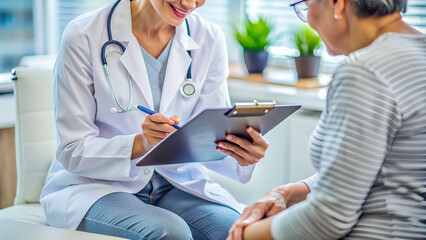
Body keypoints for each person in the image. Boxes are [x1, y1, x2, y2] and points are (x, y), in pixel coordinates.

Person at [40, 0, 269, 239]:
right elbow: (71, 149)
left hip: (176, 183)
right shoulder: (83, 35)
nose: (189, 4)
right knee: (170, 233)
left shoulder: (208, 38)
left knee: (237, 231)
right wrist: (141, 143)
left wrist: (241, 152)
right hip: (97, 186)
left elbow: (208, 134)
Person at [228, 0, 426, 239]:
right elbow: (384, 170)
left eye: (306, 5)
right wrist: (293, 191)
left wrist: (242, 236)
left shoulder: (365, 71)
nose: (309, 20)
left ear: (337, 4)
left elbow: (328, 219)